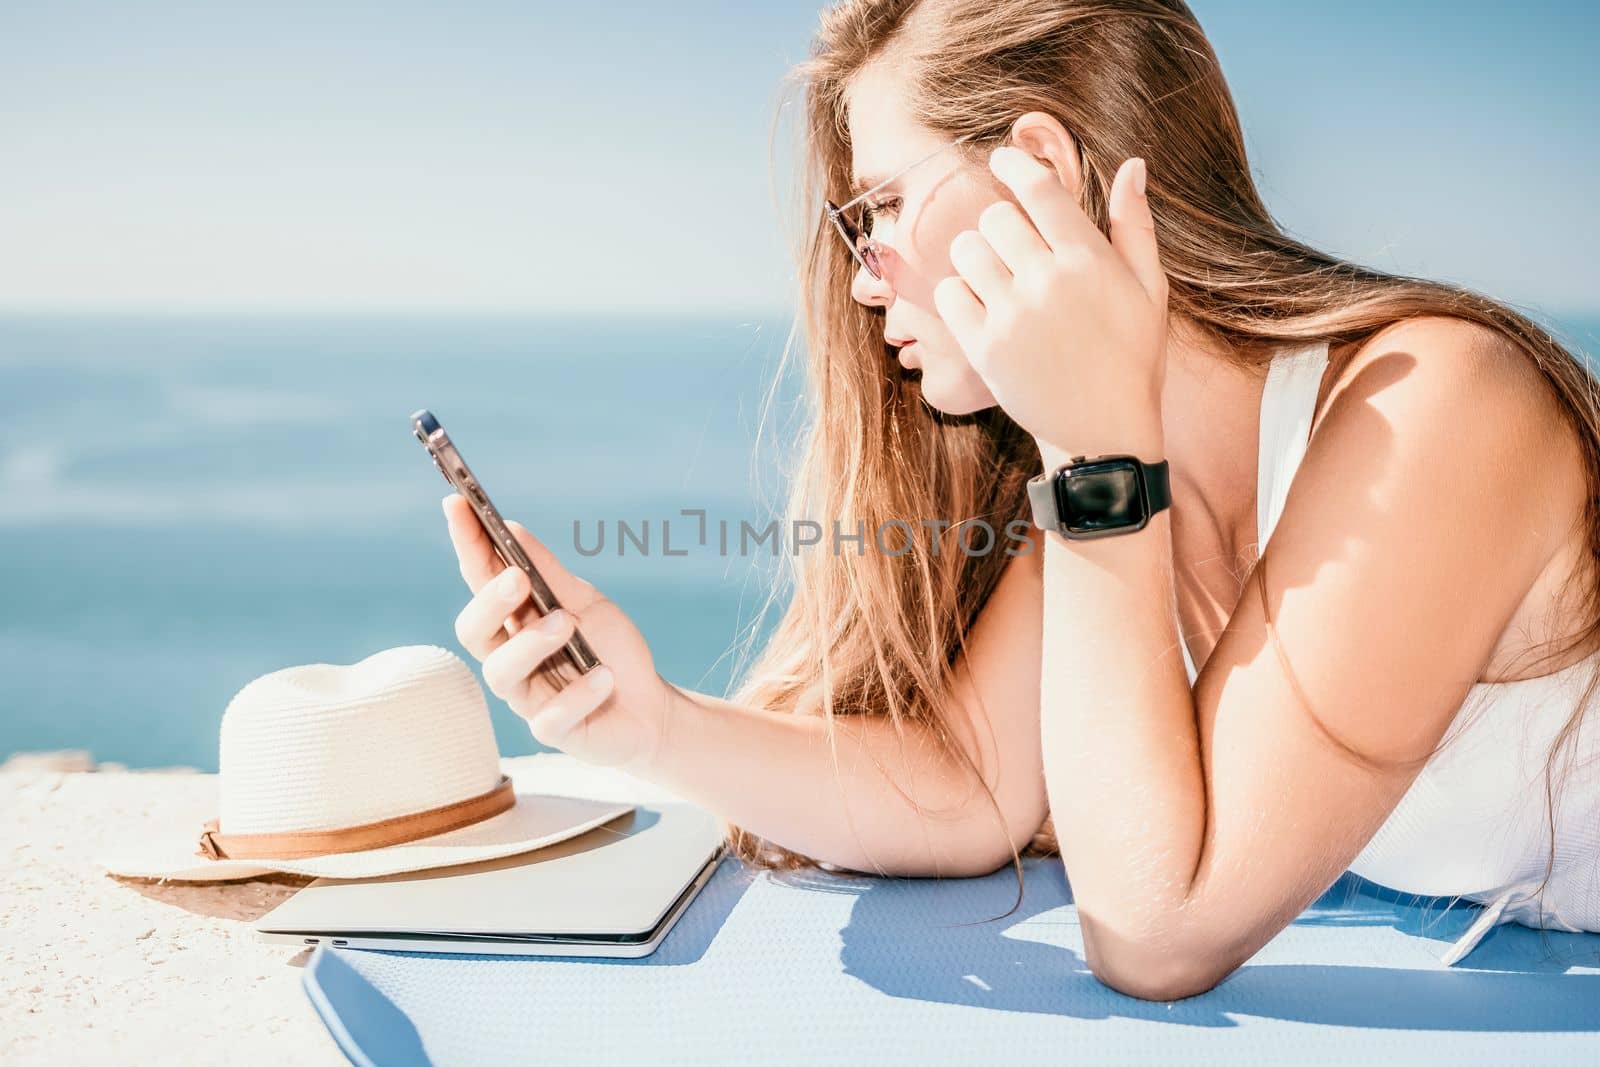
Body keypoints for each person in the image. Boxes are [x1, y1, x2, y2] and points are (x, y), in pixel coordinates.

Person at [443, 0, 1600, 1000]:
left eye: (885, 205)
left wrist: (1093, 441)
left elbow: (1159, 930)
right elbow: (967, 788)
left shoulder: (1437, 406)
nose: (861, 268)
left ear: (1038, 172)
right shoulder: (1114, 494)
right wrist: (653, 723)